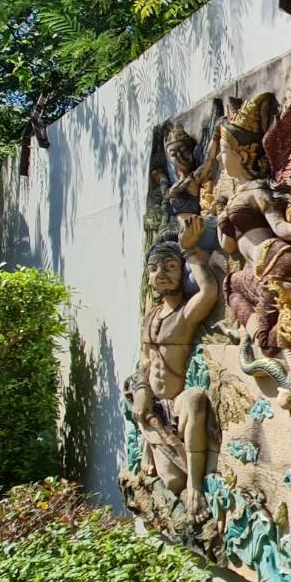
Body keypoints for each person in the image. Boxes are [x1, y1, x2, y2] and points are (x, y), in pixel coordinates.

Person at [214, 92, 291, 396]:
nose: (219, 159)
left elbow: (279, 227)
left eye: (224, 151)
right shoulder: (235, 198)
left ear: (243, 154)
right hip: (260, 268)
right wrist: (221, 221)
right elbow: (229, 247)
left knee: (267, 344)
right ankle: (267, 341)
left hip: (275, 258)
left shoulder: (258, 192)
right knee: (230, 284)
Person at [127, 219, 217, 517]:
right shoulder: (151, 315)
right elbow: (144, 361)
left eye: (170, 267)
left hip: (176, 402)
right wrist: (142, 391)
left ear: (182, 272)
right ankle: (149, 443)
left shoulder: (185, 314)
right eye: (154, 269)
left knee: (195, 399)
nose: (161, 274)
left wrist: (189, 250)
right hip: (153, 405)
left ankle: (196, 486)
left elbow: (209, 291)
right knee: (169, 481)